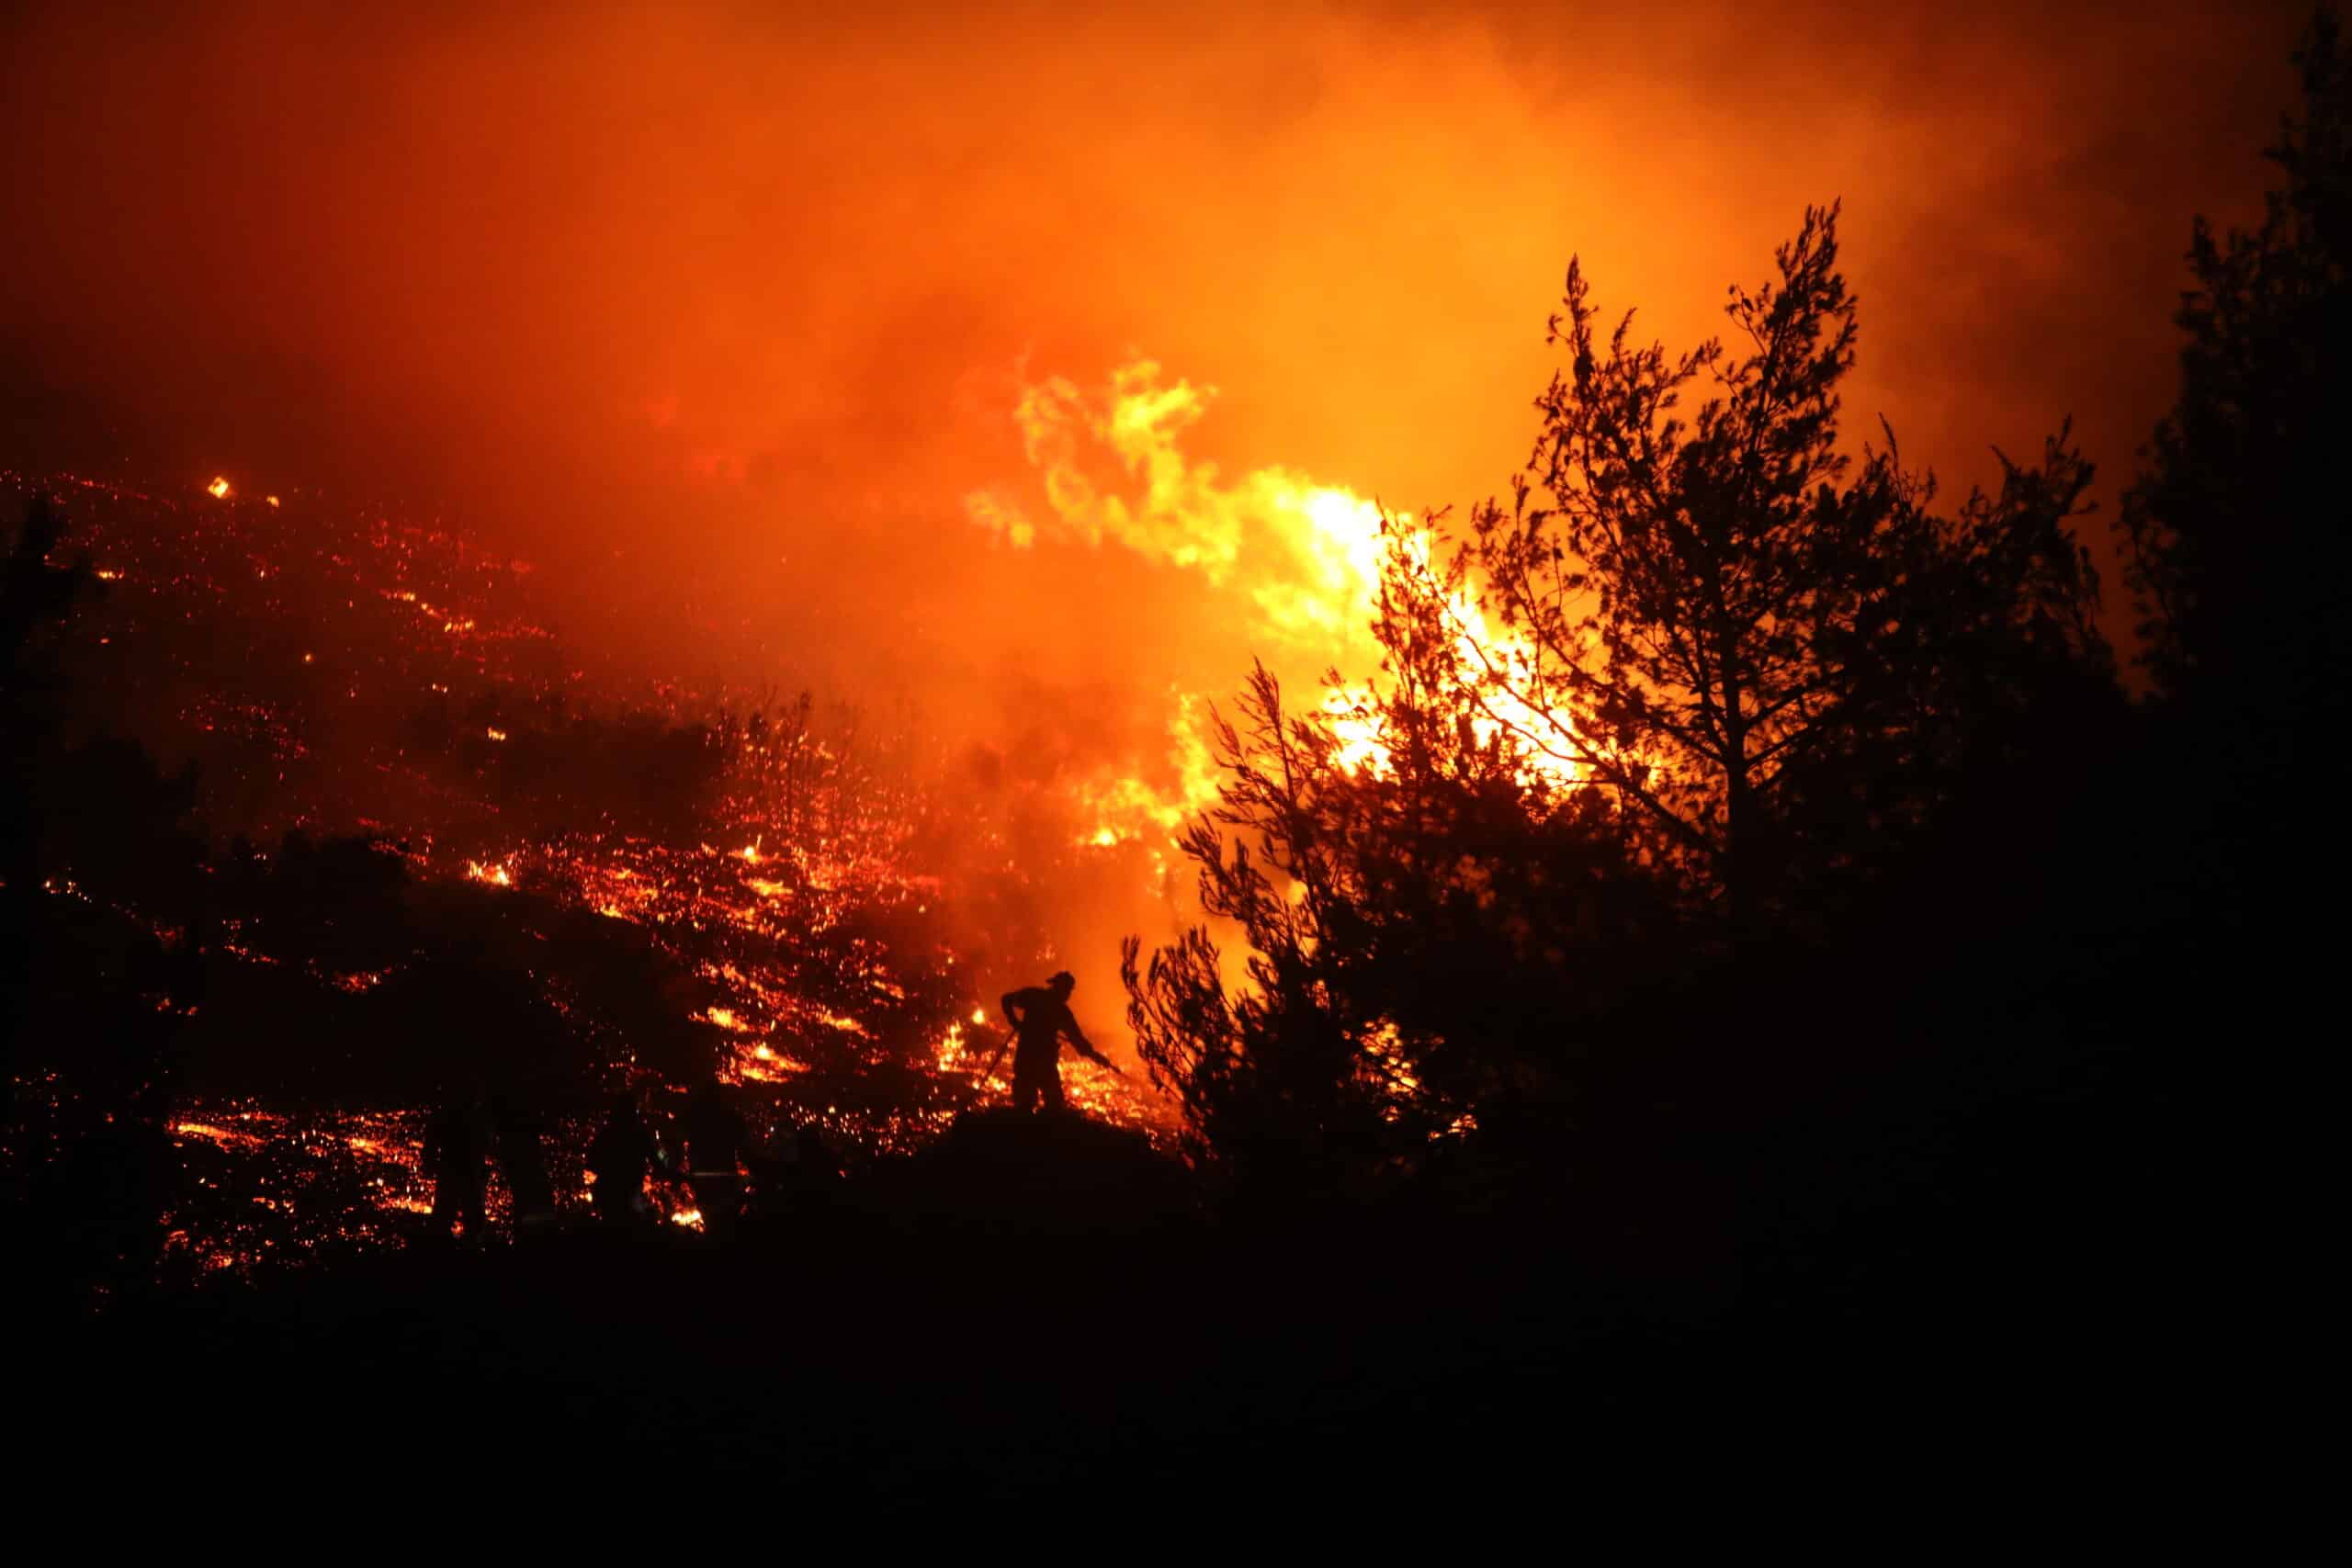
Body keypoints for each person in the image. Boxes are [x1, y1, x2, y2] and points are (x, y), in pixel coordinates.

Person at [999, 970, 1115, 1114]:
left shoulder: (1034, 996)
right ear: (1059, 987)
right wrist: (1096, 1057)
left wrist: (1015, 1022)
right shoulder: (1059, 1010)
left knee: (1026, 1106)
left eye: (1069, 990)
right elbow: (1078, 1042)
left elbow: (1006, 1000)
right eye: (1067, 990)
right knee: (1052, 1106)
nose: (1068, 994)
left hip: (1028, 1059)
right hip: (1043, 1063)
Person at [679, 1081, 750, 1239]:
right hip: (725, 1181)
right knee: (724, 1228)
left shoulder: (696, 1119)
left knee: (713, 1226)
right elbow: (746, 1151)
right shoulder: (731, 1119)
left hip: (704, 1182)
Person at [490, 1094, 556, 1236]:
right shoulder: (521, 1124)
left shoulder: (510, 1124)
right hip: (523, 1164)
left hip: (519, 1164)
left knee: (525, 1202)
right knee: (527, 1202)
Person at [423, 1094, 486, 1242]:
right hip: (467, 1170)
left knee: (447, 1216)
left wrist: (429, 1161)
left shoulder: (448, 1109)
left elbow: (433, 1135)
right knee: (470, 1219)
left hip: (456, 1169)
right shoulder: (475, 1112)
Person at [586, 1092, 653, 1227]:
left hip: (609, 1195)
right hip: (628, 1194)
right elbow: (656, 1159)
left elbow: (591, 1164)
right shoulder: (640, 1134)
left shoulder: (606, 1135)